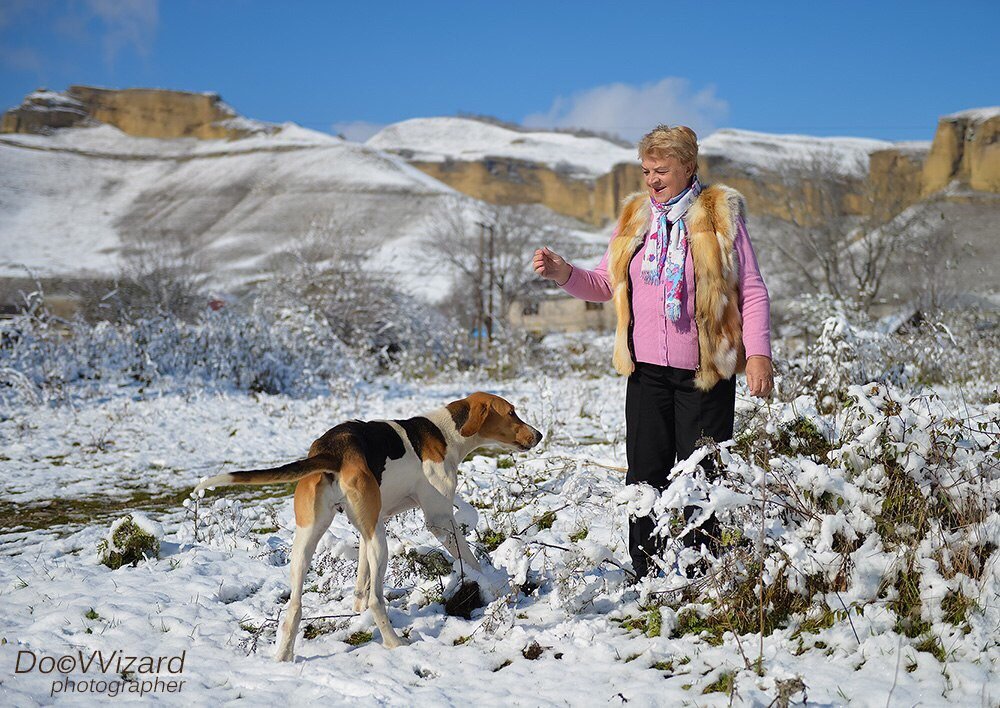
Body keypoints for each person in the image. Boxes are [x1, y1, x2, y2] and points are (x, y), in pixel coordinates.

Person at [533, 124, 773, 579]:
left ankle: (702, 572)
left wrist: (758, 353)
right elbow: (606, 283)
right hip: (646, 374)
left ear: (688, 167)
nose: (652, 180)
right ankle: (647, 573)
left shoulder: (721, 214)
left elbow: (753, 291)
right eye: (646, 170)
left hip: (705, 373)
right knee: (644, 474)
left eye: (661, 170)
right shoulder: (635, 217)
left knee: (699, 477)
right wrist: (565, 273)